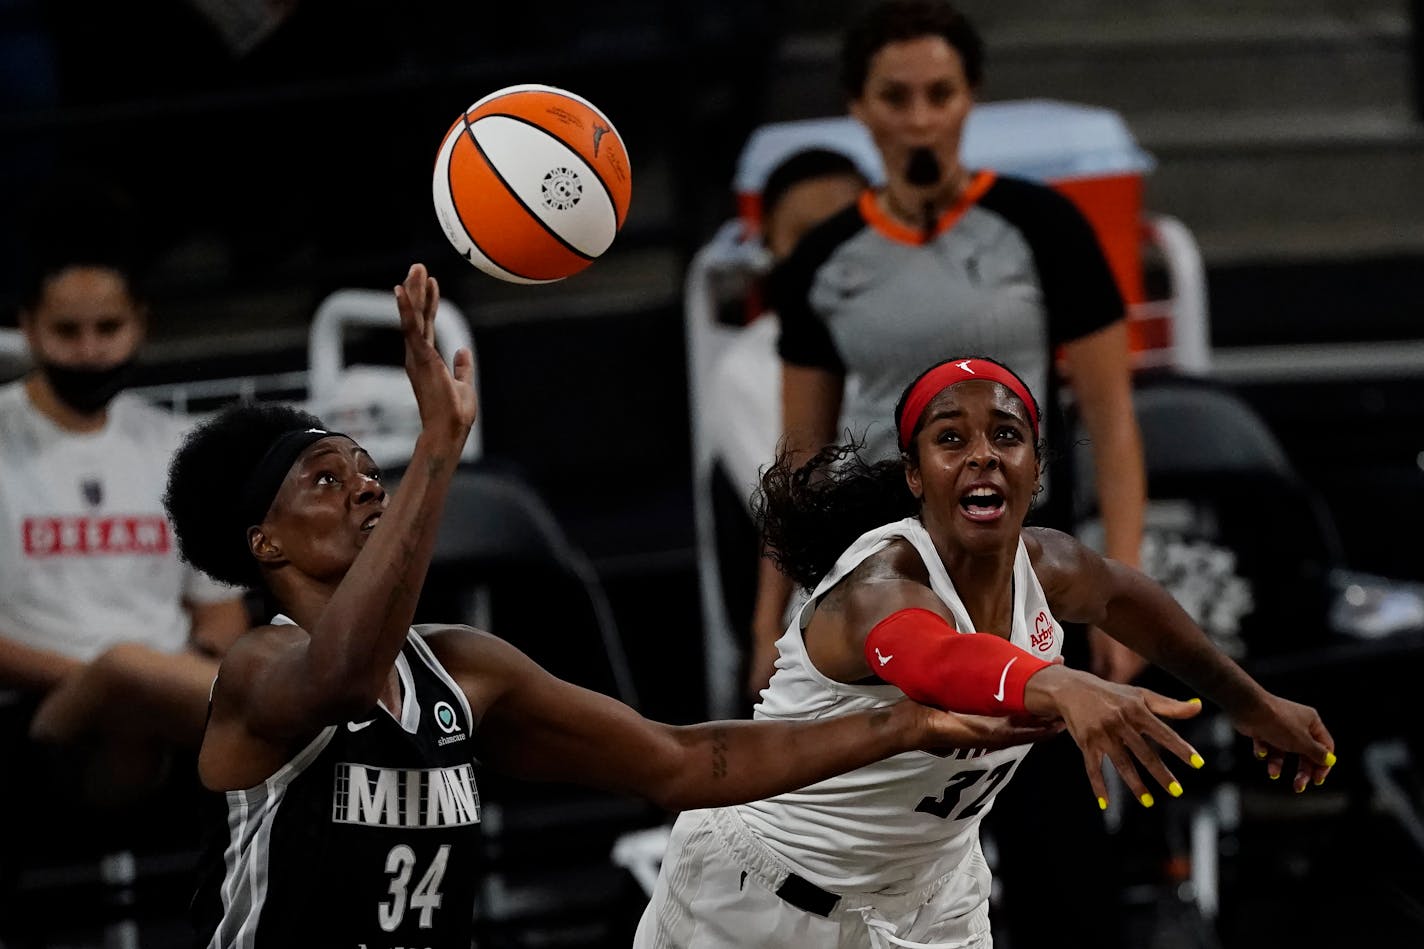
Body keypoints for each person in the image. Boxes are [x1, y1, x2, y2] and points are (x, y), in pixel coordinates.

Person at [165, 264, 1062, 948]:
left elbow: (679, 761)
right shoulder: (257, 672)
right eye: (327, 479)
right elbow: (349, 676)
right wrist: (439, 448)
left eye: (369, 467)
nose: (366, 486)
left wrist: (899, 727)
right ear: (264, 544)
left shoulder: (465, 669)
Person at [634, 355, 1336, 948]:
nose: (982, 454)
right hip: (758, 900)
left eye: (1007, 434)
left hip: (930, 900)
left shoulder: (1051, 565)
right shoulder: (881, 583)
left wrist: (1253, 704)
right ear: (915, 474)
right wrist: (1061, 683)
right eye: (950, 438)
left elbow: (1135, 602)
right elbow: (931, 660)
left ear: (1035, 469)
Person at [749, 0, 1147, 699]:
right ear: (860, 109)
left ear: (971, 100)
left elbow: (1113, 425)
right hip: (878, 568)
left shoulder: (1044, 226)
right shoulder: (823, 258)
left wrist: (1119, 599)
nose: (920, 119)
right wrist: (764, 629)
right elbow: (801, 458)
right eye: (895, 98)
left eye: (940, 94)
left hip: (1019, 557)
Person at [0, 219, 249, 802]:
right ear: (28, 327)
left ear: (141, 323)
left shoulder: (180, 445)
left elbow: (220, 616)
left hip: (175, 710)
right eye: (67, 331)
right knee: (130, 672)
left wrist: (172, 674)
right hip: (36, 714)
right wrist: (115, 678)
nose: (89, 351)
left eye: (108, 328)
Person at [698, 147, 870, 709]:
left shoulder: (909, 335)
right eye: (805, 236)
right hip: (829, 626)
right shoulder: (748, 367)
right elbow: (807, 501)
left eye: (845, 230)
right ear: (769, 246)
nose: (828, 254)